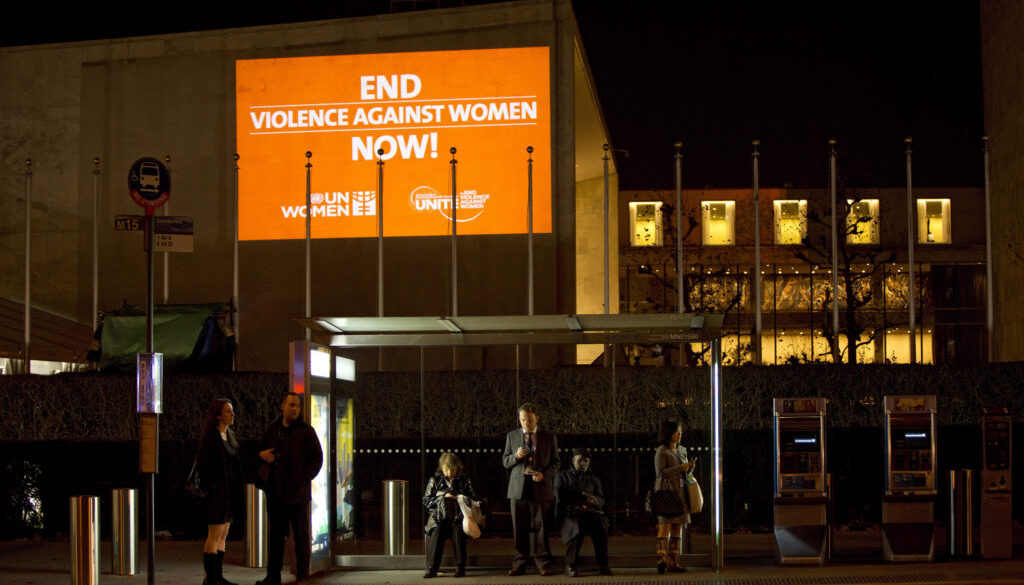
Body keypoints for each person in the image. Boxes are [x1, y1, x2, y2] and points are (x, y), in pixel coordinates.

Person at [255, 392, 324, 585]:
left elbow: (317, 457)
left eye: (297, 406)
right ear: (282, 406)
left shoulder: (305, 431)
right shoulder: (273, 430)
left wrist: (303, 478)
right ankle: (273, 575)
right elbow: (259, 451)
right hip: (276, 493)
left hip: (297, 494)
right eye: (291, 405)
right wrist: (261, 454)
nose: (294, 408)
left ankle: (303, 573)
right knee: (275, 537)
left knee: (300, 535)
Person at [502, 402, 559, 576]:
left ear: (537, 419)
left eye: (529, 420)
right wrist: (516, 457)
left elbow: (556, 463)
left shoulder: (549, 437)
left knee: (542, 527)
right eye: (523, 419)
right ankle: (520, 563)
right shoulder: (512, 436)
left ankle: (543, 563)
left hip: (541, 487)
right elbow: (505, 461)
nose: (526, 423)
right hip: (517, 488)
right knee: (519, 528)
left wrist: (545, 475)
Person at [197, 398, 243, 585]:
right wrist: (214, 487)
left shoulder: (228, 435)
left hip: (228, 493)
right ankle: (210, 578)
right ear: (218, 416)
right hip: (217, 494)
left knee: (223, 533)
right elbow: (204, 465)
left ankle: (218, 576)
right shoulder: (212, 438)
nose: (232, 414)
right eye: (227, 411)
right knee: (214, 534)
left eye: (231, 410)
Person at [554, 448, 612, 577]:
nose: (583, 464)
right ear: (573, 460)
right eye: (580, 460)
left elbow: (601, 499)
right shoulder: (562, 476)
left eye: (586, 461)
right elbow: (560, 496)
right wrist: (583, 496)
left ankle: (603, 565)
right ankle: (570, 565)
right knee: (576, 528)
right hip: (570, 515)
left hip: (590, 514)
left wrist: (595, 500)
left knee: (601, 526)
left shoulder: (594, 479)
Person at [422, 452, 480, 579]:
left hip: (458, 516)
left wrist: (459, 498)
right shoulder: (435, 480)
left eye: (452, 469)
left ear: (457, 467)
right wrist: (442, 498)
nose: (449, 472)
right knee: (437, 531)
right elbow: (426, 500)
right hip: (438, 517)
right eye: (446, 469)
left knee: (458, 531)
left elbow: (475, 499)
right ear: (442, 467)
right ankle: (433, 568)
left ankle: (460, 567)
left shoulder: (464, 480)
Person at [653, 419, 695, 574]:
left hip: (681, 493)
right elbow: (660, 473)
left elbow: (683, 473)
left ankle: (673, 561)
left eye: (681, 431)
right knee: (664, 527)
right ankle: (661, 560)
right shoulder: (662, 451)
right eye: (678, 431)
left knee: (677, 528)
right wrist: (680, 468)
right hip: (667, 494)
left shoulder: (682, 450)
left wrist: (689, 469)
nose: (680, 434)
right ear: (669, 433)